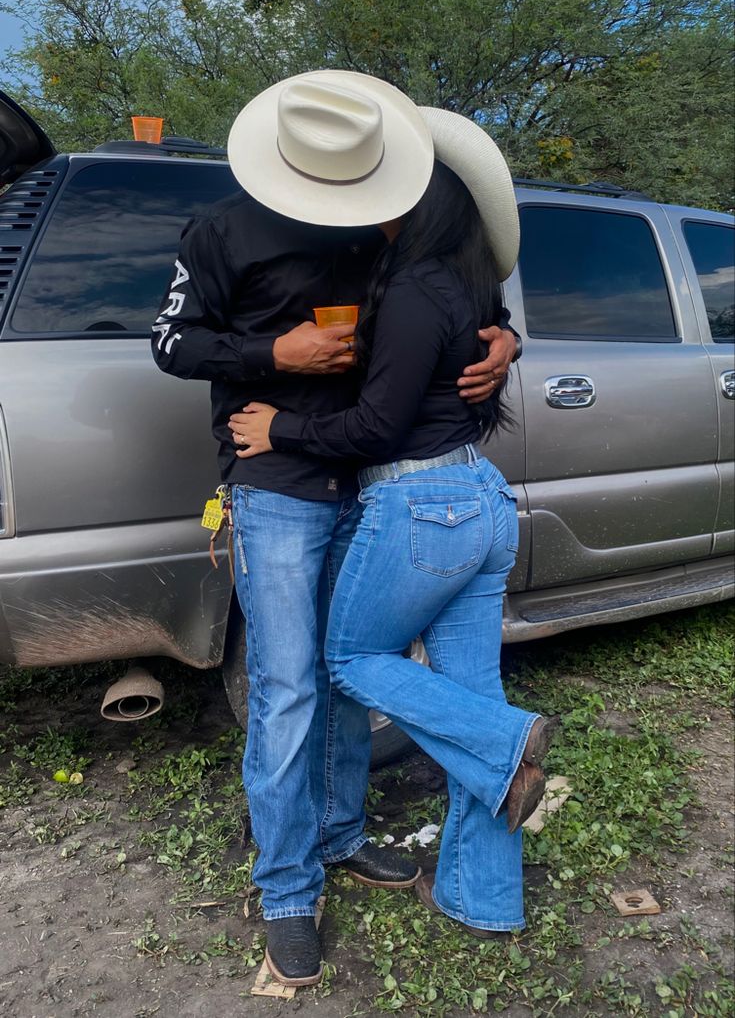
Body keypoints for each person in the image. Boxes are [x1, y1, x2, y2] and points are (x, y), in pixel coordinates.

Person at [151, 72, 519, 985]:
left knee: (347, 674)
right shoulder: (221, 230)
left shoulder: (385, 220)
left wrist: (505, 337)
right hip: (275, 480)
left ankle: (343, 833)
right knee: (285, 686)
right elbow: (169, 344)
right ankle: (286, 888)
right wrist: (269, 353)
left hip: (371, 480)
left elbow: (453, 297)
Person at [229, 104, 556, 940]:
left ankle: (506, 739)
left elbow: (376, 428)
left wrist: (280, 429)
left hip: (422, 505)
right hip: (476, 500)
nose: (375, 201)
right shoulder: (469, 281)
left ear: (423, 200)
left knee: (346, 658)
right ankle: (481, 899)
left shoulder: (413, 288)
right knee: (465, 689)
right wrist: (507, 339)